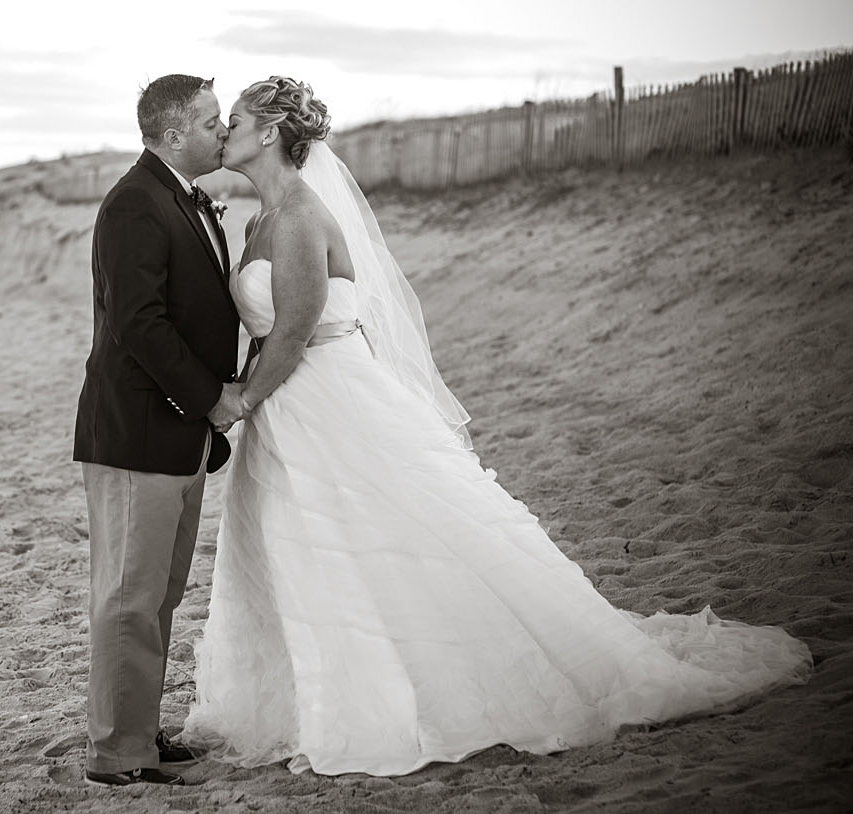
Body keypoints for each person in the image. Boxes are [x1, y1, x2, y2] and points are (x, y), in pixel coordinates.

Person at [180, 75, 814, 777]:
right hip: (291, 412)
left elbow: (295, 331)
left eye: (231, 119)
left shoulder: (299, 215)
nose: (223, 130)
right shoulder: (258, 218)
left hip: (326, 399)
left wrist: (239, 401)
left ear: (269, 132)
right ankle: (311, 699)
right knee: (310, 548)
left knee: (384, 537)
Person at [73, 74, 245, 787]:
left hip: (174, 436)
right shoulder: (135, 205)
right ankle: (117, 754)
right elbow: (139, 324)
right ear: (172, 135)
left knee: (159, 595)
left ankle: (140, 734)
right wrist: (210, 399)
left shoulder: (183, 196)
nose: (222, 132)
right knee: (129, 597)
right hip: (141, 433)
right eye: (210, 123)